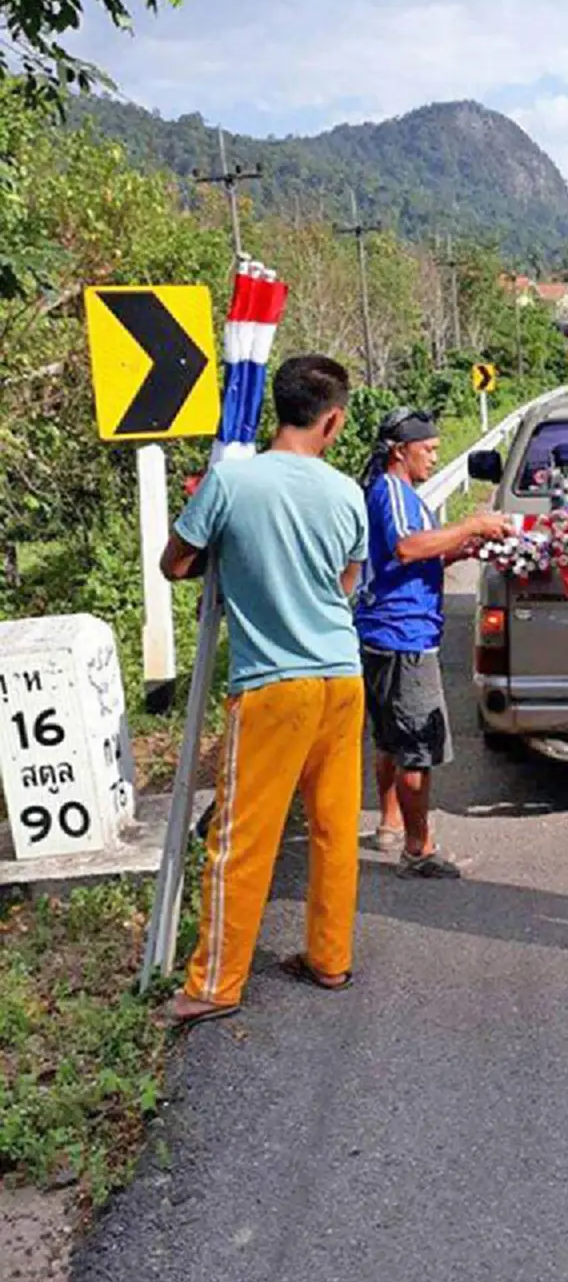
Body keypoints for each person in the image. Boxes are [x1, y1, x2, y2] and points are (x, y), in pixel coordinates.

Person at [159, 355, 369, 1029]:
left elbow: (177, 562)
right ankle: (330, 958)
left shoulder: (231, 480)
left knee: (244, 837)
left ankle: (215, 985)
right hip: (342, 676)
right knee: (336, 829)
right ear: (332, 418)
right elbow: (345, 583)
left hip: (272, 683)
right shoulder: (346, 493)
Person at [355, 409, 509, 878]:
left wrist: (461, 550)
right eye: (428, 450)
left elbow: (410, 559)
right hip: (404, 635)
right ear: (401, 451)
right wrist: (472, 527)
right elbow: (407, 546)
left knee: (390, 738)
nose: (433, 458)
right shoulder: (394, 493)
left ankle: (391, 825)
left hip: (383, 631)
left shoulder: (393, 492)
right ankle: (418, 850)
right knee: (417, 744)